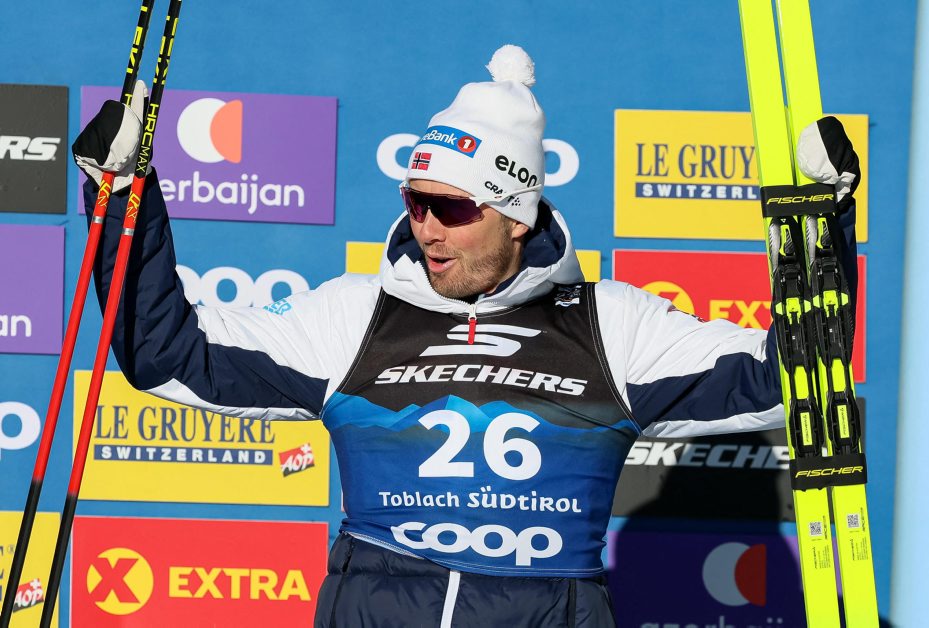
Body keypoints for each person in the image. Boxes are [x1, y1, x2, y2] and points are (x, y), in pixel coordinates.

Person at [73, 45, 860, 627]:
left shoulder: (610, 323)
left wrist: (821, 227)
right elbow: (167, 355)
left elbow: (789, 379)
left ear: (516, 216)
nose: (427, 228)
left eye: (452, 208)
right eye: (416, 202)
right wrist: (121, 199)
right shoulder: (355, 313)